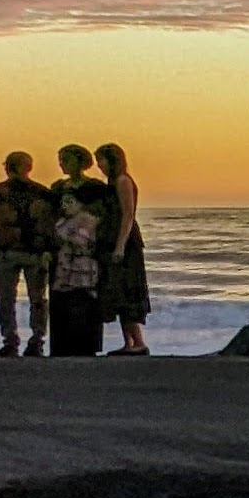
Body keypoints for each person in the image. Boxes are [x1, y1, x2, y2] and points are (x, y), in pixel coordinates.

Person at [0, 152, 55, 357]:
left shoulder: (40, 193)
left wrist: (49, 251)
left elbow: (50, 226)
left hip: (29, 253)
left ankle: (31, 339)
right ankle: (18, 339)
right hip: (10, 251)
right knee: (15, 299)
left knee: (31, 299)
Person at [46, 145, 114, 359]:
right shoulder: (57, 188)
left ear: (79, 161)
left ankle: (87, 344)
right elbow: (50, 216)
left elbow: (105, 216)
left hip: (87, 250)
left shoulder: (95, 187)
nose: (62, 164)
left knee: (86, 296)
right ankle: (61, 345)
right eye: (60, 159)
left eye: (65, 159)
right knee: (61, 295)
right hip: (62, 250)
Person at [94, 142, 153, 356]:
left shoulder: (122, 181)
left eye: (101, 160)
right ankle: (129, 342)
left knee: (127, 291)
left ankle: (138, 341)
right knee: (117, 292)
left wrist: (120, 246)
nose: (98, 165)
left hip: (126, 243)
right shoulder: (111, 182)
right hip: (113, 240)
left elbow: (128, 215)